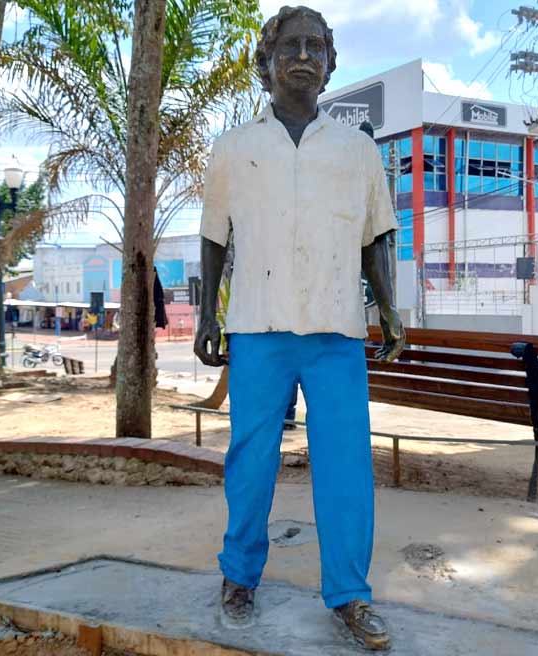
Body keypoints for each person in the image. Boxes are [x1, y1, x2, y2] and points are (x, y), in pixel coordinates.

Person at [193, 6, 405, 651]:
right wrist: (207, 315)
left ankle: (350, 594)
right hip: (257, 327)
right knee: (250, 462)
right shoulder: (234, 148)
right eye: (291, 46)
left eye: (316, 46)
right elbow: (214, 236)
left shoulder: (356, 149)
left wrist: (389, 309)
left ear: (331, 63)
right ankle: (239, 578)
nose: (304, 56)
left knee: (346, 466)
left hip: (336, 331)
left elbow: (376, 236)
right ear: (268, 61)